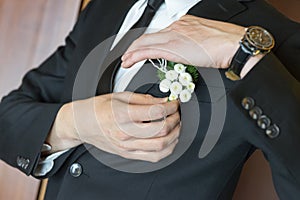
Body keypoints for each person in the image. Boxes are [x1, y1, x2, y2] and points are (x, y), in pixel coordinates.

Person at [0, 0, 299, 199]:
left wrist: (242, 53)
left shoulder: (281, 40)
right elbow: (7, 121)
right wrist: (76, 123)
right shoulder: (105, 8)